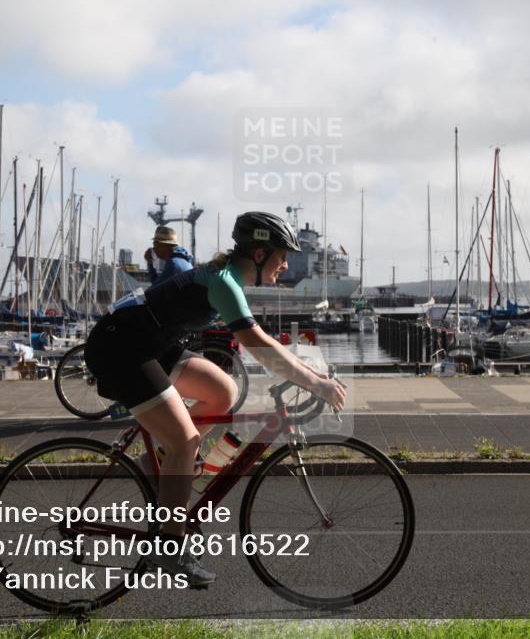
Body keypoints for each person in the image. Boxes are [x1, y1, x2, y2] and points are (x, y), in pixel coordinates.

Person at [84, 212, 347, 585]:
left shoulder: (227, 278)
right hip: (121, 350)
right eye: (281, 256)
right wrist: (315, 383)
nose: (285, 265)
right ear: (258, 254)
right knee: (186, 440)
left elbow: (263, 341)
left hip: (149, 343)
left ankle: (159, 461)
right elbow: (257, 344)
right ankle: (169, 548)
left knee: (223, 391)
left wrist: (314, 377)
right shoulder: (223, 281)